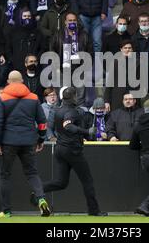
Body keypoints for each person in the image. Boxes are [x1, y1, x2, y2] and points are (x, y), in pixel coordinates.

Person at [38, 87, 107, 216]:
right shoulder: (72, 111)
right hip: (72, 150)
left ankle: (38, 190)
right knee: (87, 180)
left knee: (61, 182)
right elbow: (68, 125)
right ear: (74, 97)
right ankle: (94, 210)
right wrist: (87, 132)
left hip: (60, 149)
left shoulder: (57, 110)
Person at [0, 70, 51, 218]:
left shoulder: (2, 98)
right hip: (28, 141)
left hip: (8, 142)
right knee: (32, 173)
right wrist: (41, 139)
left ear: (8, 81)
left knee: (4, 175)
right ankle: (41, 199)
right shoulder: (33, 97)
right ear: (22, 81)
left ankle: (6, 211)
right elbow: (43, 123)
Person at [5, 8, 46, 74]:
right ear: (20, 17)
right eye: (24, 16)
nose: (27, 18)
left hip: (33, 66)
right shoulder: (13, 32)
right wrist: (12, 60)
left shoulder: (37, 32)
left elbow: (42, 48)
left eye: (29, 16)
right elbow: (8, 48)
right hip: (17, 66)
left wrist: (36, 59)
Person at [104, 39, 136, 112]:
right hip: (117, 98)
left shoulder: (137, 63)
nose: (127, 50)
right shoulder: (115, 63)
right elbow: (109, 83)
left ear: (132, 50)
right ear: (121, 49)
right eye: (125, 48)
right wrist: (106, 101)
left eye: (129, 48)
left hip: (132, 97)